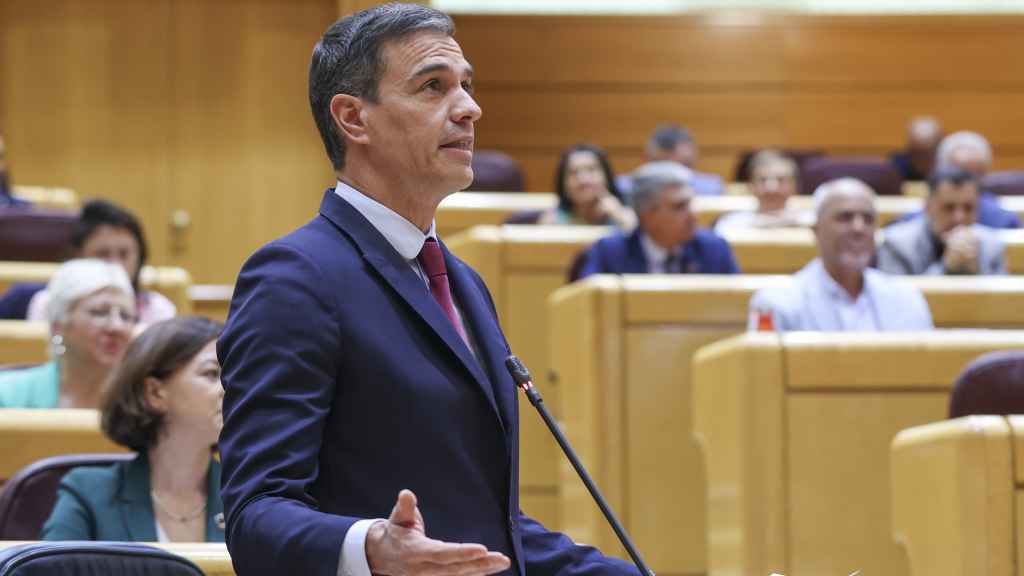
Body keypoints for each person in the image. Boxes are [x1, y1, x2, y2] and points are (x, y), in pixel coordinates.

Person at [217, 5, 639, 576]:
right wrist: (369, 546)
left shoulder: (463, 283)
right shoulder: (296, 278)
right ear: (353, 118)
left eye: (466, 85)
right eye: (433, 86)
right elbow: (256, 514)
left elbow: (488, 532)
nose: (470, 107)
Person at [42, 316, 225, 542]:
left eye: (234, 376)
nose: (230, 389)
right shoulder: (87, 494)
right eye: (212, 374)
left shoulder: (250, 494)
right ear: (155, 393)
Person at [748, 178, 933, 331]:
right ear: (816, 230)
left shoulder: (907, 299)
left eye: (868, 219)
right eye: (845, 217)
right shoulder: (776, 303)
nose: (858, 228)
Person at [0, 259, 135, 408]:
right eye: (99, 312)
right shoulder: (7, 395)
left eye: (126, 316)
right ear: (58, 326)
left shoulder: (146, 403)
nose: (116, 327)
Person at [16, 200, 177, 324]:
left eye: (124, 254)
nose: (115, 264)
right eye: (102, 254)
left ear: (140, 257)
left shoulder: (158, 310)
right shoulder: (47, 304)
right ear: (77, 257)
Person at [578, 161, 739, 278]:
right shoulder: (609, 253)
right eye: (679, 206)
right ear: (646, 214)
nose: (693, 215)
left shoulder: (714, 250)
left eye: (690, 203)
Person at [877, 168, 1006, 275]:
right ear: (928, 207)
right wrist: (945, 267)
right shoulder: (896, 244)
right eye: (949, 207)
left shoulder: (992, 245)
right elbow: (898, 302)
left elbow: (1003, 302)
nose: (959, 218)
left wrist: (977, 271)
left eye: (968, 208)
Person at [535, 143, 635, 229]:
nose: (583, 180)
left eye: (591, 170)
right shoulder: (552, 221)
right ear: (563, 183)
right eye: (573, 173)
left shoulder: (623, 213)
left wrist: (619, 215)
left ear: (607, 176)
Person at [934, 130, 1019, 229]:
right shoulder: (917, 221)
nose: (959, 218)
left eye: (974, 176)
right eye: (957, 176)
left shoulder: (1004, 221)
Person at [714, 150, 811, 233]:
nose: (771, 188)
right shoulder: (731, 223)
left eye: (781, 180)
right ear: (751, 186)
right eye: (763, 180)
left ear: (794, 186)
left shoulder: (810, 222)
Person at [617, 125, 724, 197]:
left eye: (682, 167)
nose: (674, 175)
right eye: (663, 167)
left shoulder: (711, 188)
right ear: (647, 161)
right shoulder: (624, 188)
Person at [890, 116, 943, 181]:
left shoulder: (947, 165)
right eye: (918, 153)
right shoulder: (896, 165)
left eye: (927, 153)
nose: (922, 158)